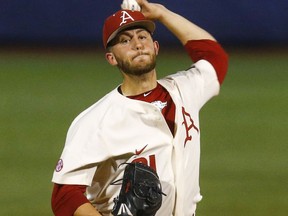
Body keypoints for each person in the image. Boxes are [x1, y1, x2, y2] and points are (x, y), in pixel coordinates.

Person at [51, 0, 228, 215]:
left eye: (142, 37)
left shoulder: (184, 89)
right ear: (111, 58)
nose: (137, 44)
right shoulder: (96, 120)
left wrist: (162, 14)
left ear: (155, 47)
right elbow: (64, 196)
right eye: (125, 41)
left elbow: (214, 58)